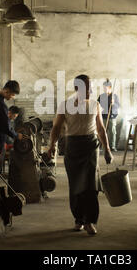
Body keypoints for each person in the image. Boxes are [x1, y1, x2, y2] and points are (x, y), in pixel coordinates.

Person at [48, 74, 113, 236]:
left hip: (90, 147)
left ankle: (90, 221)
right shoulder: (65, 105)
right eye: (86, 87)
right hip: (73, 147)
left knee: (91, 186)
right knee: (76, 186)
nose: (90, 90)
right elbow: (56, 128)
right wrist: (52, 146)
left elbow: (100, 129)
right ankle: (79, 219)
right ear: (77, 88)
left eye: (91, 87)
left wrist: (107, 149)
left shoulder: (95, 104)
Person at [97, 79, 120, 152]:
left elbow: (118, 106)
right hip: (103, 117)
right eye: (103, 88)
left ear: (110, 87)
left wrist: (113, 104)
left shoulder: (114, 96)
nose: (104, 89)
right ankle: (102, 146)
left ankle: (112, 146)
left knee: (113, 132)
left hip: (112, 117)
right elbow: (97, 105)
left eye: (105, 88)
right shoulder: (101, 96)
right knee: (102, 132)